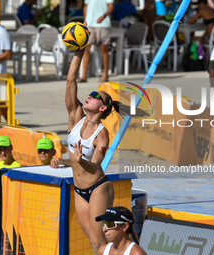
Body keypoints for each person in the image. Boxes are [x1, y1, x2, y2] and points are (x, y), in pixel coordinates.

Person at [65, 37, 149, 254]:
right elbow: (70, 81)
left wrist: (79, 159)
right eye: (90, 93)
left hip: (98, 188)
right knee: (94, 243)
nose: (89, 96)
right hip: (79, 189)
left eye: (95, 96)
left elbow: (94, 166)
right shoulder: (76, 117)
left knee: (102, 241)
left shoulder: (102, 135)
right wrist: (79, 50)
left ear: (102, 108)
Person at [0, 137, 66, 255]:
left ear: (53, 152)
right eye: (40, 150)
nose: (43, 153)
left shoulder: (23, 169)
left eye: (46, 150)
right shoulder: (33, 170)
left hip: (45, 214)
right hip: (28, 211)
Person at [76, 0, 114, 83]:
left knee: (104, 48)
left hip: (103, 25)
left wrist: (103, 16)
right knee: (86, 49)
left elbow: (111, 6)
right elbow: (86, 7)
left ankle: (105, 75)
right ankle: (83, 76)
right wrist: (85, 21)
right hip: (90, 25)